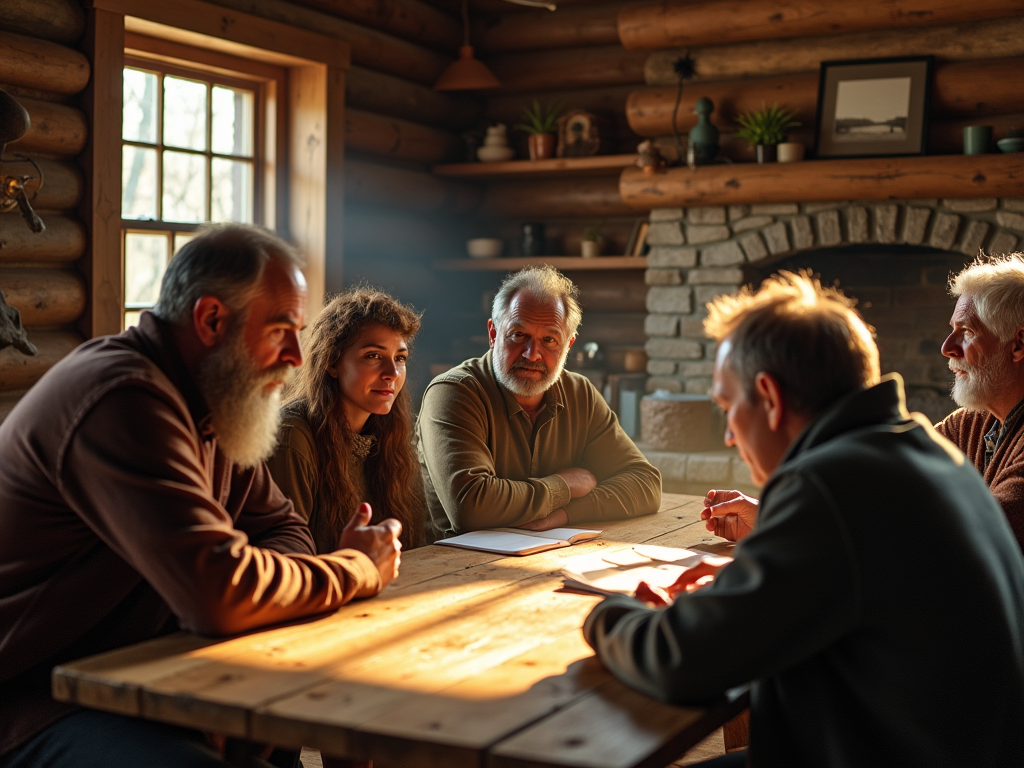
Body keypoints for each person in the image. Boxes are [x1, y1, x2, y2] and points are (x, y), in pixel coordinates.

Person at [0, 224, 402, 767]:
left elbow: (283, 529)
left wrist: (251, 585)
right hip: (40, 699)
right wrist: (355, 567)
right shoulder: (124, 399)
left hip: (157, 672)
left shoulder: (215, 404)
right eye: (281, 329)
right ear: (212, 319)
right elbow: (218, 591)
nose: (294, 356)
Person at [583, 272, 1024, 767]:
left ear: (770, 398)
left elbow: (682, 661)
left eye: (728, 407)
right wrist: (751, 586)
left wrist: (607, 617)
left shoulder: (832, 483)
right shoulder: (923, 449)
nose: (729, 435)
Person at [702, 253, 1024, 551]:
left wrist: (794, 525)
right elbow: (880, 500)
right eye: (950, 330)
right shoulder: (972, 423)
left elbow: (967, 543)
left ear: (1018, 344)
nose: (947, 347)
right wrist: (779, 523)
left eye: (966, 331)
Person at [417, 265, 661, 538]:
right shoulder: (454, 392)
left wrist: (565, 514)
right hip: (451, 568)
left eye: (549, 339)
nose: (533, 354)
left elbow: (645, 484)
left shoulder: (580, 393)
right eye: (519, 335)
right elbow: (471, 507)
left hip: (550, 559)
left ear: (568, 345)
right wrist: (564, 486)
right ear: (493, 333)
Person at [266, 288, 426, 553]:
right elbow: (288, 558)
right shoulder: (291, 436)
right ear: (331, 362)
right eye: (373, 356)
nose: (392, 373)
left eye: (400, 358)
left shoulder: (394, 433)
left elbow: (415, 544)